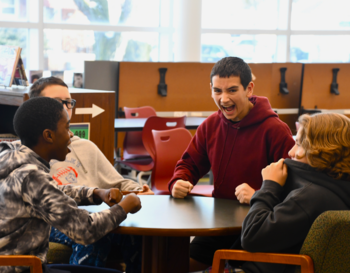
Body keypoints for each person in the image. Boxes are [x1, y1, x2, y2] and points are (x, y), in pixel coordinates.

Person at [167, 57, 295, 271]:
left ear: (249, 89)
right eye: (217, 91)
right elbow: (189, 164)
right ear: (210, 89)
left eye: (232, 90)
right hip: (218, 225)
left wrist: (257, 194)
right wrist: (179, 181)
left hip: (257, 227)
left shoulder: (275, 130)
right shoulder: (210, 126)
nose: (224, 99)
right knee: (168, 263)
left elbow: (294, 189)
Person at [0, 97, 142, 273]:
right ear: (48, 136)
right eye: (67, 128)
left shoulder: (10, 157)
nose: (71, 135)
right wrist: (125, 206)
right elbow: (85, 229)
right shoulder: (31, 175)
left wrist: (96, 193)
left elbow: (53, 192)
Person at [28, 77, 153, 272]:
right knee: (94, 235)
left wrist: (138, 190)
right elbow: (49, 197)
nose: (64, 108)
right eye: (56, 103)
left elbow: (118, 183)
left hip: (96, 214)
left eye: (68, 103)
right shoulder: (30, 152)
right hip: (52, 221)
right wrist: (97, 193)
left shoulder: (85, 146)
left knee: (140, 236)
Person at [235, 112, 350, 273]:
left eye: (298, 143)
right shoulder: (336, 192)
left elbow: (250, 236)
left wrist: (269, 186)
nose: (290, 152)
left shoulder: (308, 198)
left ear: (315, 148)